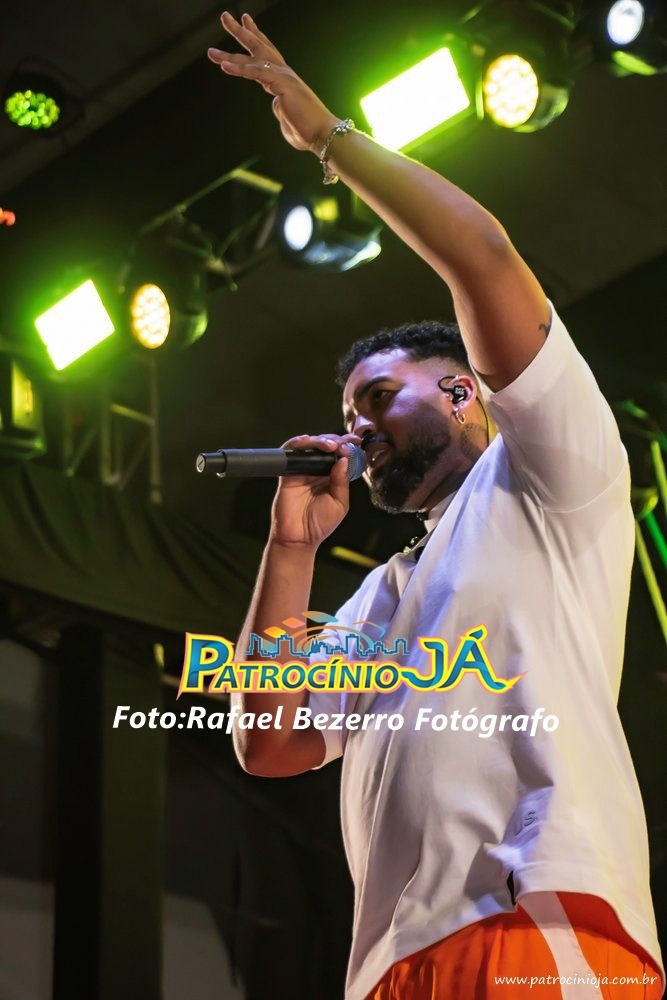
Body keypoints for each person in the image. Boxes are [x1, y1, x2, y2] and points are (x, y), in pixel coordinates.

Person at [208, 12, 665, 999]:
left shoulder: (545, 474)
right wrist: (290, 547)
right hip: (391, 965)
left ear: (463, 392)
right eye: (348, 413)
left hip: (535, 918)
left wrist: (328, 137)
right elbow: (269, 741)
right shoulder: (382, 593)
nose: (357, 424)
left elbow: (482, 257)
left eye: (377, 397)